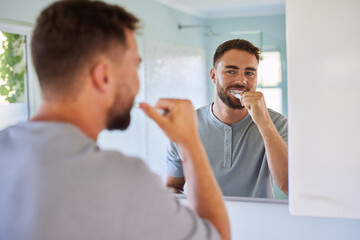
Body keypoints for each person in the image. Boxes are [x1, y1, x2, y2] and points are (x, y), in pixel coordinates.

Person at [0, 1, 230, 240]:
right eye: (135, 66)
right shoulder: (124, 180)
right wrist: (190, 143)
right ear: (104, 76)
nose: (137, 85)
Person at [166, 39, 288, 198]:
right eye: (231, 71)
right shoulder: (184, 125)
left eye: (249, 73)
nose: (241, 81)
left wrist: (264, 123)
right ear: (213, 75)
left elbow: (289, 187)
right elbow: (173, 187)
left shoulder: (277, 124)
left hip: (260, 222)